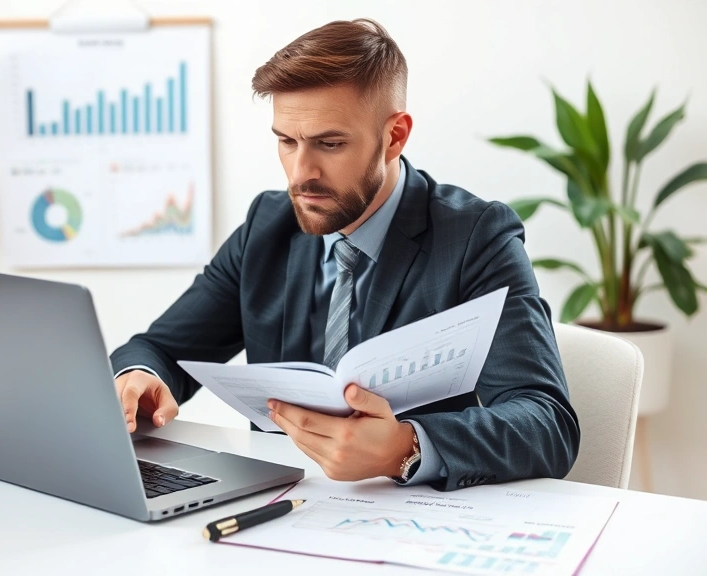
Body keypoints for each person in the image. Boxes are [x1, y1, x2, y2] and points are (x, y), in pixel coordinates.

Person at [110, 18, 579, 491]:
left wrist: (405, 446)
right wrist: (138, 376)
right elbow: (160, 348)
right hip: (278, 509)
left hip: (411, 527)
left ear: (394, 136)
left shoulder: (475, 237)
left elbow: (546, 424)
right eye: (286, 141)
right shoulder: (266, 227)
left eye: (329, 144)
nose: (300, 173)